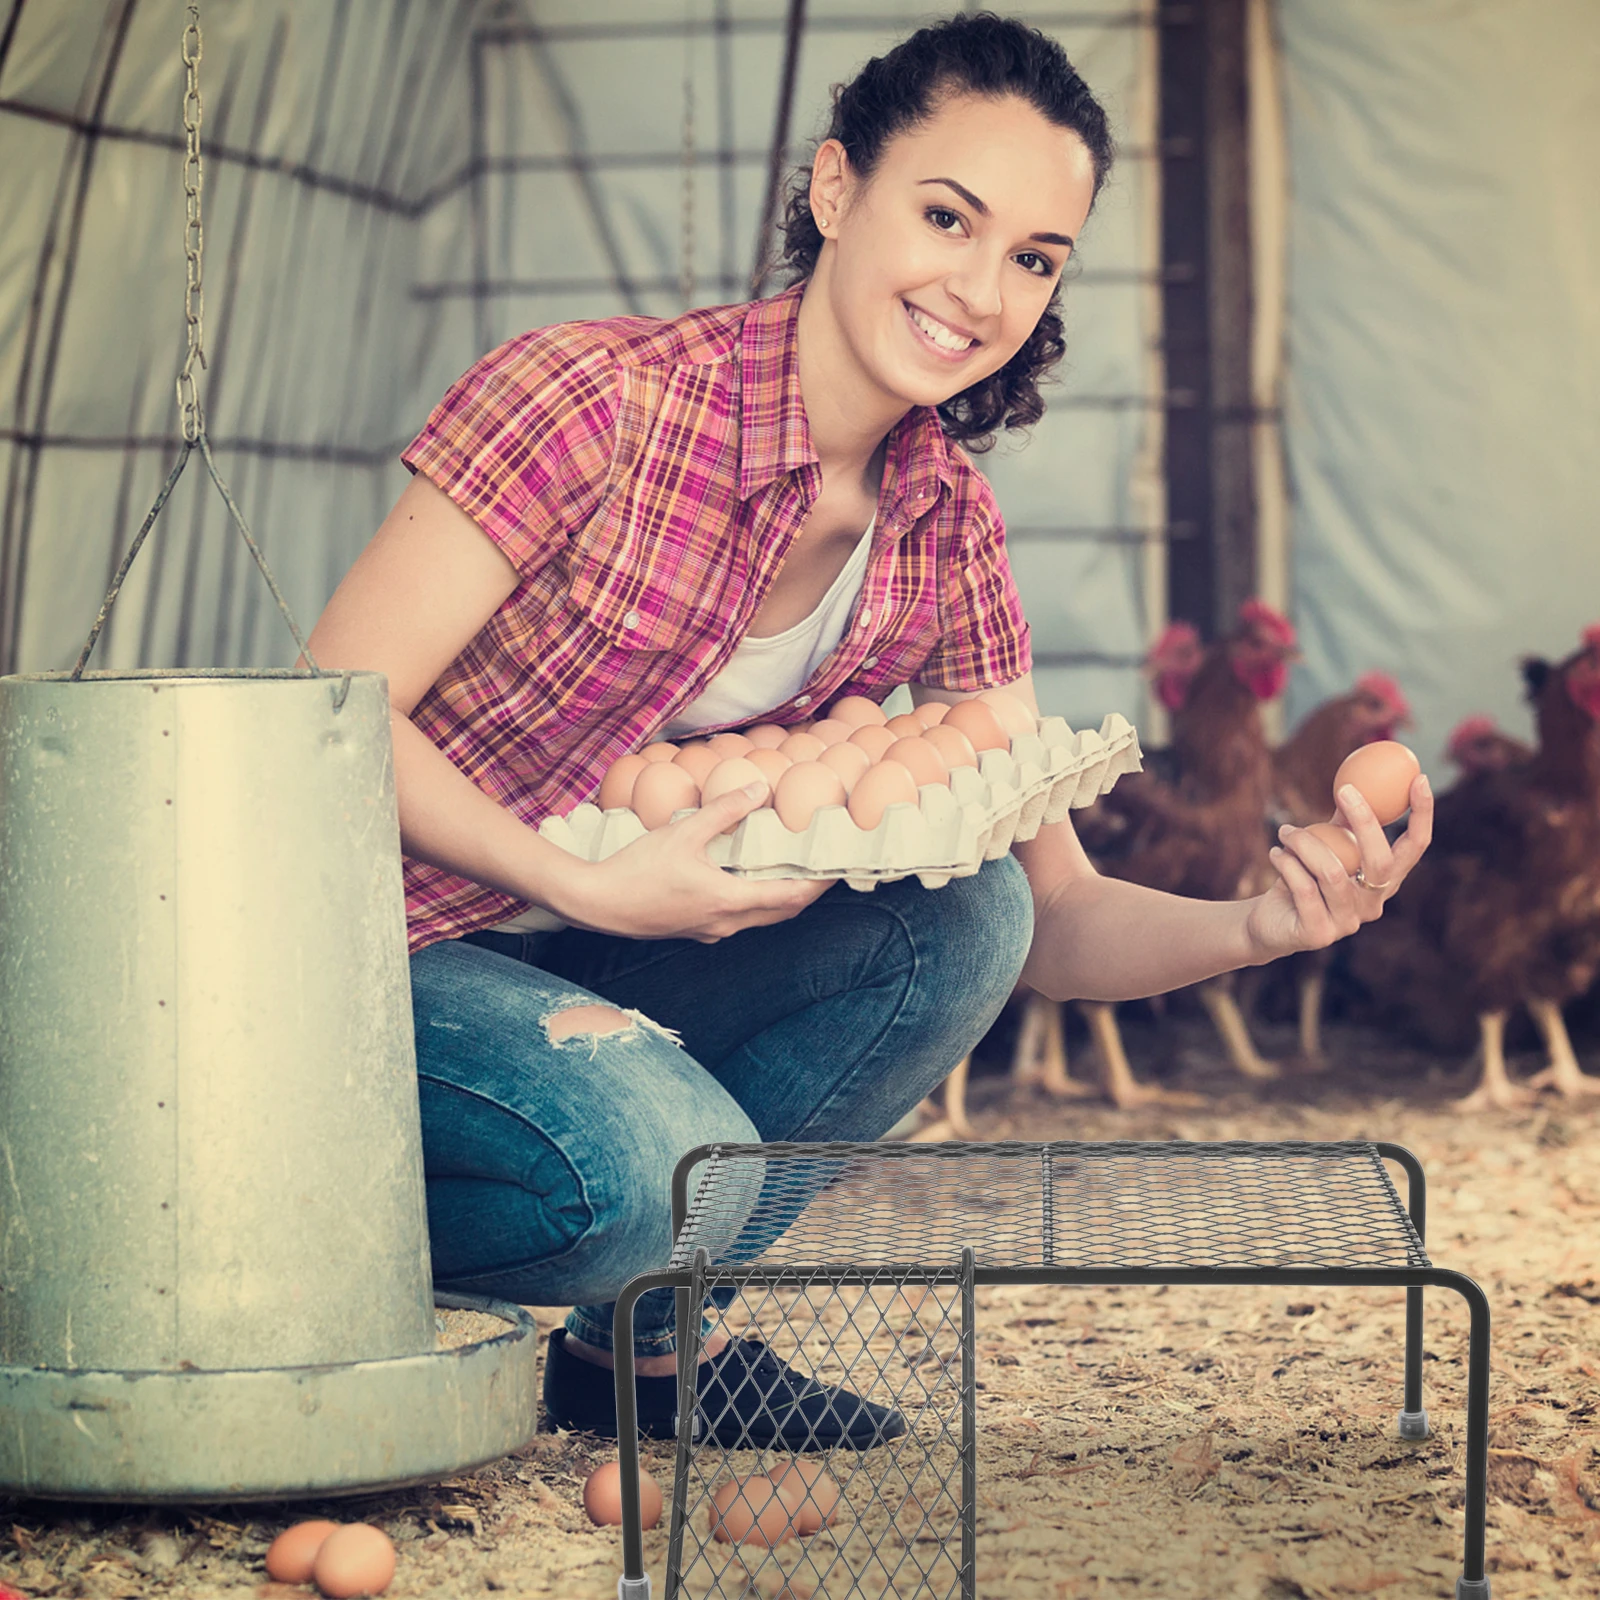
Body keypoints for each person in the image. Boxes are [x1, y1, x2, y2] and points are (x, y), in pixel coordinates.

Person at [304, 12, 1431, 1450]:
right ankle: (295, 1242)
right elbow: (330, 714)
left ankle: (638, 1351)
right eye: (947, 217)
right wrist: (580, 880)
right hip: (393, 948)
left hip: (624, 955)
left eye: (1033, 258)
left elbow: (1056, 914)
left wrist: (1261, 925)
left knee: (962, 923)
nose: (981, 289)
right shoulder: (595, 400)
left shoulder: (942, 521)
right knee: (650, 1171)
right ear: (837, 190)